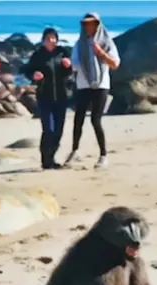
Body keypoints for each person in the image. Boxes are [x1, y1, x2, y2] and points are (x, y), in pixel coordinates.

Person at [65, 13, 120, 169]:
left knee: (96, 120)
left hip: (101, 85)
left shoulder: (107, 42)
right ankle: (74, 152)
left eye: (92, 24)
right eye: (86, 24)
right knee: (78, 119)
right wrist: (70, 64)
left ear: (98, 25)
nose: (89, 27)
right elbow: (75, 64)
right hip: (83, 85)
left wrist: (99, 53)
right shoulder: (79, 43)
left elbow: (115, 64)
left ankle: (103, 155)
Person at [23, 28, 72, 170]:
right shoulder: (38, 55)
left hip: (62, 97)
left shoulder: (62, 52)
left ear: (57, 39)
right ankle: (45, 160)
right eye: (48, 38)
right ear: (43, 40)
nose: (51, 40)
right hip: (45, 97)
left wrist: (68, 66)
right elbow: (27, 70)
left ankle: (52, 158)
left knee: (58, 131)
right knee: (48, 130)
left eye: (53, 38)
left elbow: (70, 71)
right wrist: (34, 75)